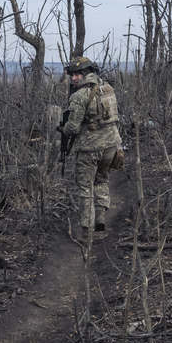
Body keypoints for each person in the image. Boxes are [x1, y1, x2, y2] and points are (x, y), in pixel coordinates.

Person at [60, 56, 122, 241]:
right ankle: (101, 217)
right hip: (111, 145)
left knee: (85, 187)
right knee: (102, 180)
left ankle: (87, 231)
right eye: (72, 75)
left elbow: (73, 128)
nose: (74, 78)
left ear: (86, 73)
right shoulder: (107, 89)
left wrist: (62, 129)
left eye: (77, 74)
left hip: (89, 148)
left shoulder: (79, 96)